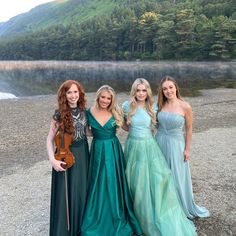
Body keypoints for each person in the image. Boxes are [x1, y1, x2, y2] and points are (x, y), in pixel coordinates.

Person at [122, 78, 197, 236]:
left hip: (149, 146)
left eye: (144, 90)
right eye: (138, 90)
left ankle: (155, 212)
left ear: (148, 91)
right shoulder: (126, 106)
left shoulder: (154, 107)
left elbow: (162, 125)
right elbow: (127, 126)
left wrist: (185, 147)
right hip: (132, 147)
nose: (141, 93)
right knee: (134, 180)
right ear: (133, 91)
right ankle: (135, 213)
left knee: (156, 179)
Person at [80, 85, 142, 236]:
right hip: (97, 149)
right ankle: (97, 214)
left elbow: (129, 127)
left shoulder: (117, 111)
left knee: (114, 181)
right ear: (98, 97)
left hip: (113, 150)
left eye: (109, 98)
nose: (105, 101)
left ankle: (116, 213)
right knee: (97, 181)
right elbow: (87, 131)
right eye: (103, 97)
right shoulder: (88, 112)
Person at [155, 75, 210, 219]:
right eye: (165, 89)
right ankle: (164, 205)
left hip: (176, 144)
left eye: (170, 87)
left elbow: (189, 129)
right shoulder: (160, 105)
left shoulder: (185, 106)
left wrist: (187, 149)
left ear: (176, 87)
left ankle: (179, 205)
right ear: (162, 91)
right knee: (161, 175)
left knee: (177, 176)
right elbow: (154, 124)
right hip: (159, 142)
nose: (168, 91)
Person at [47, 80, 90, 236]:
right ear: (64, 95)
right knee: (65, 193)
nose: (73, 95)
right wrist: (53, 160)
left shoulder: (85, 110)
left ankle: (80, 227)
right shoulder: (59, 113)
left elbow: (87, 132)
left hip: (83, 152)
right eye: (69, 92)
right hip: (65, 155)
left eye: (75, 92)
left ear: (80, 94)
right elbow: (49, 139)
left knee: (81, 190)